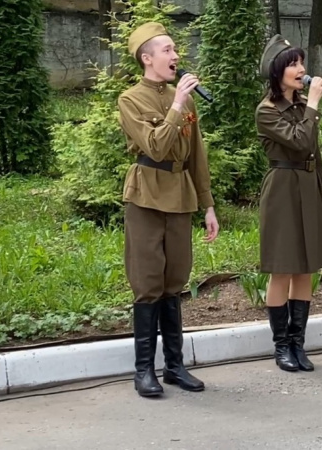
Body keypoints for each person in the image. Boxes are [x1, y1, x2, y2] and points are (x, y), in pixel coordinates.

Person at [118, 22, 220, 398]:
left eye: (175, 50)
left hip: (180, 195)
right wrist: (177, 103)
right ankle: (144, 370)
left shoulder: (187, 100)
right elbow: (156, 148)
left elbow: (196, 157)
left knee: (175, 281)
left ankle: (175, 366)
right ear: (147, 58)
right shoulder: (130, 100)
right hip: (146, 196)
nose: (175, 56)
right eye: (167, 50)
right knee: (148, 283)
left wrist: (207, 205)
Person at [256, 35, 322, 372]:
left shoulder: (301, 105)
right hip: (283, 188)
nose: (301, 70)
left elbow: (313, 154)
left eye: (301, 63)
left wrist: (319, 186)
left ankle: (298, 343)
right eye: (292, 63)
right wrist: (314, 105)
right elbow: (301, 142)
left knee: (306, 267)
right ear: (277, 71)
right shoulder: (266, 110)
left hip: (307, 187)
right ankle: (281, 346)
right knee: (283, 268)